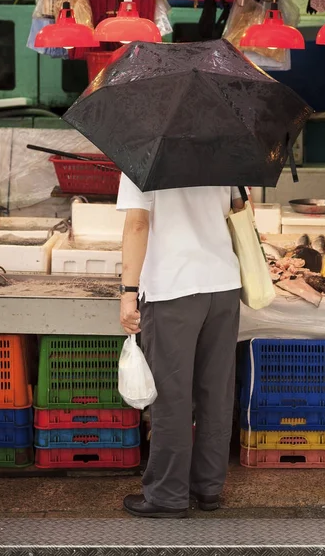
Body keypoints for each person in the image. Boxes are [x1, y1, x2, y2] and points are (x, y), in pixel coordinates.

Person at [117, 175, 243, 519]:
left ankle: (167, 495)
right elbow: (240, 209)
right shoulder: (225, 149)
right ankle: (208, 488)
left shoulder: (143, 157)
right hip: (224, 285)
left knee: (172, 396)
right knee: (215, 393)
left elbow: (137, 223)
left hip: (172, 288)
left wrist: (129, 292)